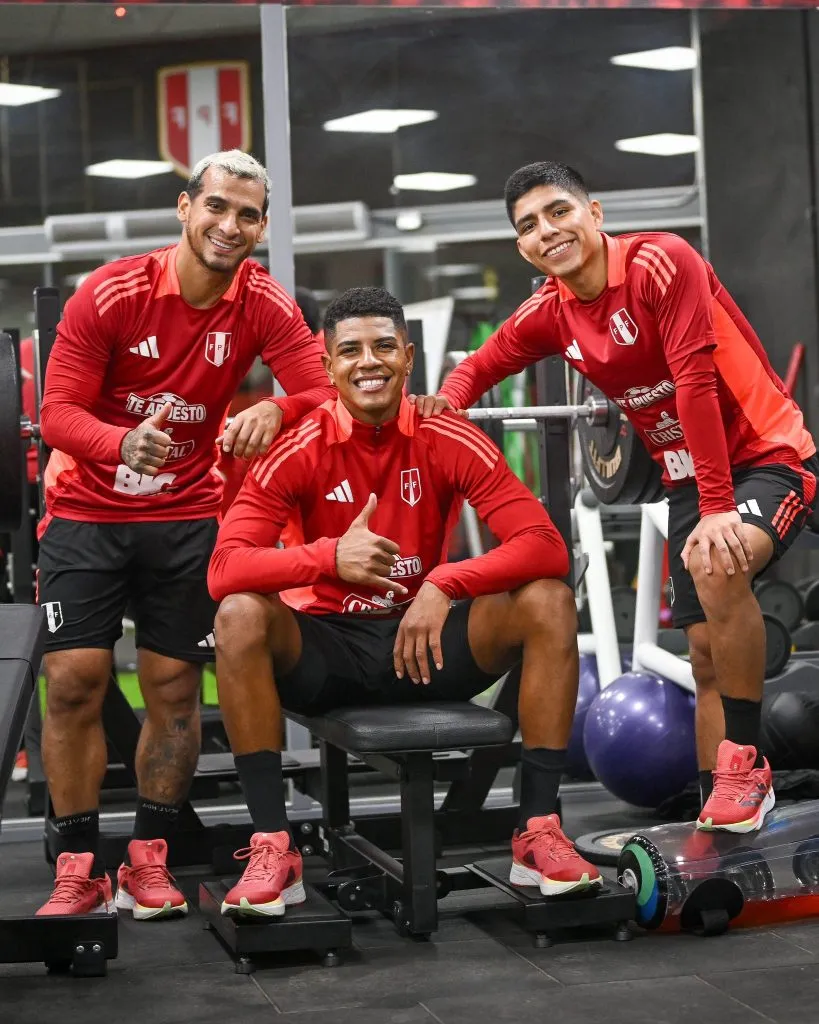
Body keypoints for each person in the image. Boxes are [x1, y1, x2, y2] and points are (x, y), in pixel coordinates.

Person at [413, 160, 818, 834]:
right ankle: (714, 807)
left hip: (764, 456)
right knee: (701, 655)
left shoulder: (660, 262)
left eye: (558, 212)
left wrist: (716, 507)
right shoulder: (550, 311)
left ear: (593, 214)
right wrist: (446, 405)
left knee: (716, 565)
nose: (547, 231)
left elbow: (691, 379)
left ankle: (746, 767)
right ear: (522, 248)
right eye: (529, 226)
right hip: (690, 479)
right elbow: (481, 365)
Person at [208, 285, 601, 917]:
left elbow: (545, 545)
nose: (369, 361)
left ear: (408, 356)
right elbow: (225, 569)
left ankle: (537, 833)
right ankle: (273, 847)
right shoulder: (298, 444)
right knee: (240, 614)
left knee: (549, 600)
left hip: (425, 643)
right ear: (328, 363)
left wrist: (446, 583)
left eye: (384, 346)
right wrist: (328, 558)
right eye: (351, 351)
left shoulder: (445, 434)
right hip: (329, 649)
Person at [35, 149, 333, 919]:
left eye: (246, 214)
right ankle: (77, 867)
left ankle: (147, 860)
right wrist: (119, 442)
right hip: (86, 514)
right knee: (72, 683)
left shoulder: (261, 301)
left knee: (172, 689)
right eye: (217, 207)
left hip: (185, 518)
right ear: (185, 207)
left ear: (261, 227)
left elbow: (318, 386)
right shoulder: (112, 292)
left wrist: (278, 408)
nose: (228, 225)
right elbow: (57, 412)